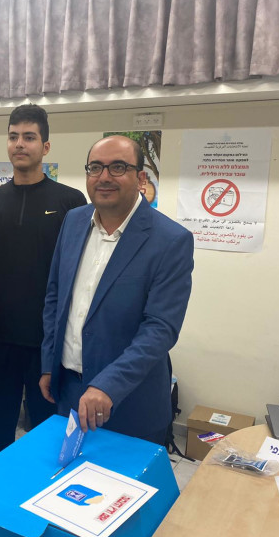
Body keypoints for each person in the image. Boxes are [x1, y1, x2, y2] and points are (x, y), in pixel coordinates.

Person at [40, 135, 194, 443]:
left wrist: (109, 384)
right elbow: (55, 297)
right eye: (95, 167)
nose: (104, 177)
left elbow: (160, 328)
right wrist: (48, 363)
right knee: (69, 487)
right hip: (69, 390)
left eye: (118, 167)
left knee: (127, 491)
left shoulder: (170, 240)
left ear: (140, 178)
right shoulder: (73, 221)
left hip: (129, 402)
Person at [0, 104, 87, 459]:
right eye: (13, 136)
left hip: (47, 346)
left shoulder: (71, 203)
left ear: (45, 147)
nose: (20, 144)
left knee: (46, 435)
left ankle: (36, 508)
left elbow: (78, 273)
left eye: (29, 137)